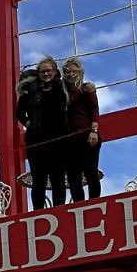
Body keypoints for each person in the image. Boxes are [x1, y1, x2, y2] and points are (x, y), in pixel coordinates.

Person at [16, 55, 82, 209]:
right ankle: (37, 213)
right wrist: (28, 124)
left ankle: (59, 210)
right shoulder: (31, 91)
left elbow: (78, 88)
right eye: (43, 72)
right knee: (38, 179)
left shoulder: (62, 87)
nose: (46, 74)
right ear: (38, 74)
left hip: (59, 140)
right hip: (36, 141)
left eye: (49, 71)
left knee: (58, 177)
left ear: (55, 72)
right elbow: (19, 113)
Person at [62, 56, 101, 198]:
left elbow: (94, 110)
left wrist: (94, 131)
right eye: (67, 72)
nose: (70, 74)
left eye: (73, 71)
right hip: (69, 139)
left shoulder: (87, 89)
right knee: (73, 176)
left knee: (90, 172)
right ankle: (80, 205)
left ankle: (95, 202)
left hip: (86, 135)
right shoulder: (64, 93)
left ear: (80, 72)